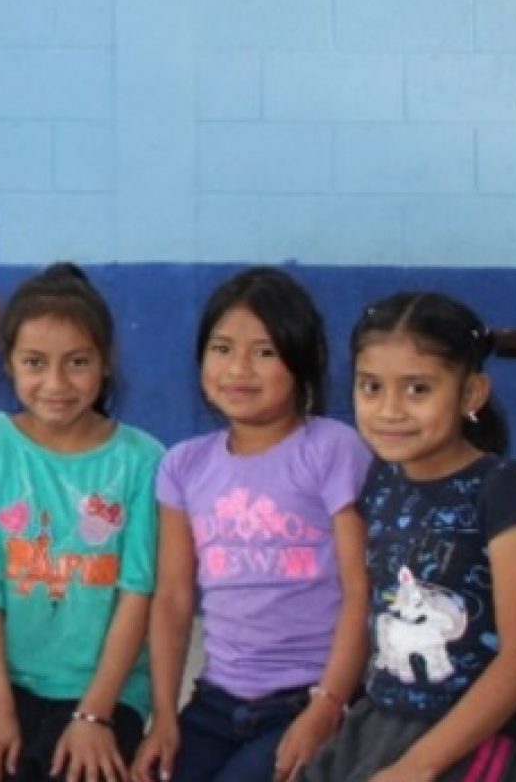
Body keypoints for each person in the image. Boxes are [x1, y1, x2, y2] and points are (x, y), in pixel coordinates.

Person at [303, 293, 516, 782]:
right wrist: (327, 704)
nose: (389, 410)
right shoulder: (379, 484)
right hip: (377, 723)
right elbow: (364, 609)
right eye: (371, 387)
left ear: (471, 394)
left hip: (477, 735)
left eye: (418, 389)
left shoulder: (508, 488)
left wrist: (418, 766)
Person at [134, 268, 373, 782]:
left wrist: (327, 707)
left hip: (307, 698)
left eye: (264, 352)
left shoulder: (332, 449)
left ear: (302, 360)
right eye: (221, 349)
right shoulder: (183, 465)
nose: (238, 368)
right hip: (215, 703)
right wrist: (164, 716)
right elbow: (174, 598)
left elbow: (360, 590)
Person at [0, 264, 160, 782]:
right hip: (3, 683)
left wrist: (94, 715)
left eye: (77, 362)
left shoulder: (143, 459)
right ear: (10, 363)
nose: (56, 384)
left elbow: (138, 592)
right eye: (35, 363)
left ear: (105, 364)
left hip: (104, 693)